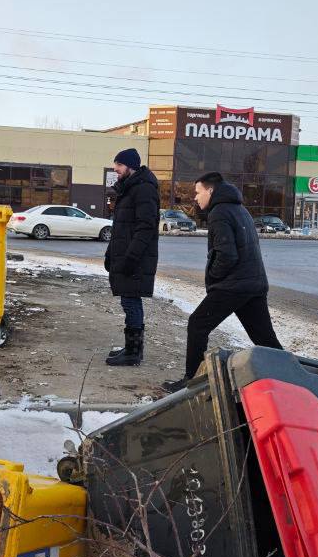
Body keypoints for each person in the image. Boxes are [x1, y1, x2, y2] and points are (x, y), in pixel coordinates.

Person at [162, 172, 282, 391]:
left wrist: (214, 277)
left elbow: (227, 255)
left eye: (198, 192)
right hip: (253, 283)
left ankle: (193, 382)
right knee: (264, 338)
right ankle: (292, 377)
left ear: (210, 190)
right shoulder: (239, 209)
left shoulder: (219, 212)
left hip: (234, 285)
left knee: (198, 324)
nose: (195, 198)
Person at [103, 148, 159, 366]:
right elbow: (121, 229)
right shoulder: (130, 188)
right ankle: (131, 348)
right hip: (127, 257)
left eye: (118, 164)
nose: (115, 169)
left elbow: (145, 228)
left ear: (130, 166)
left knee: (131, 301)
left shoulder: (143, 189)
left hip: (135, 260)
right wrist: (111, 254)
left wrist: (129, 259)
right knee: (129, 300)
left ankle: (133, 353)